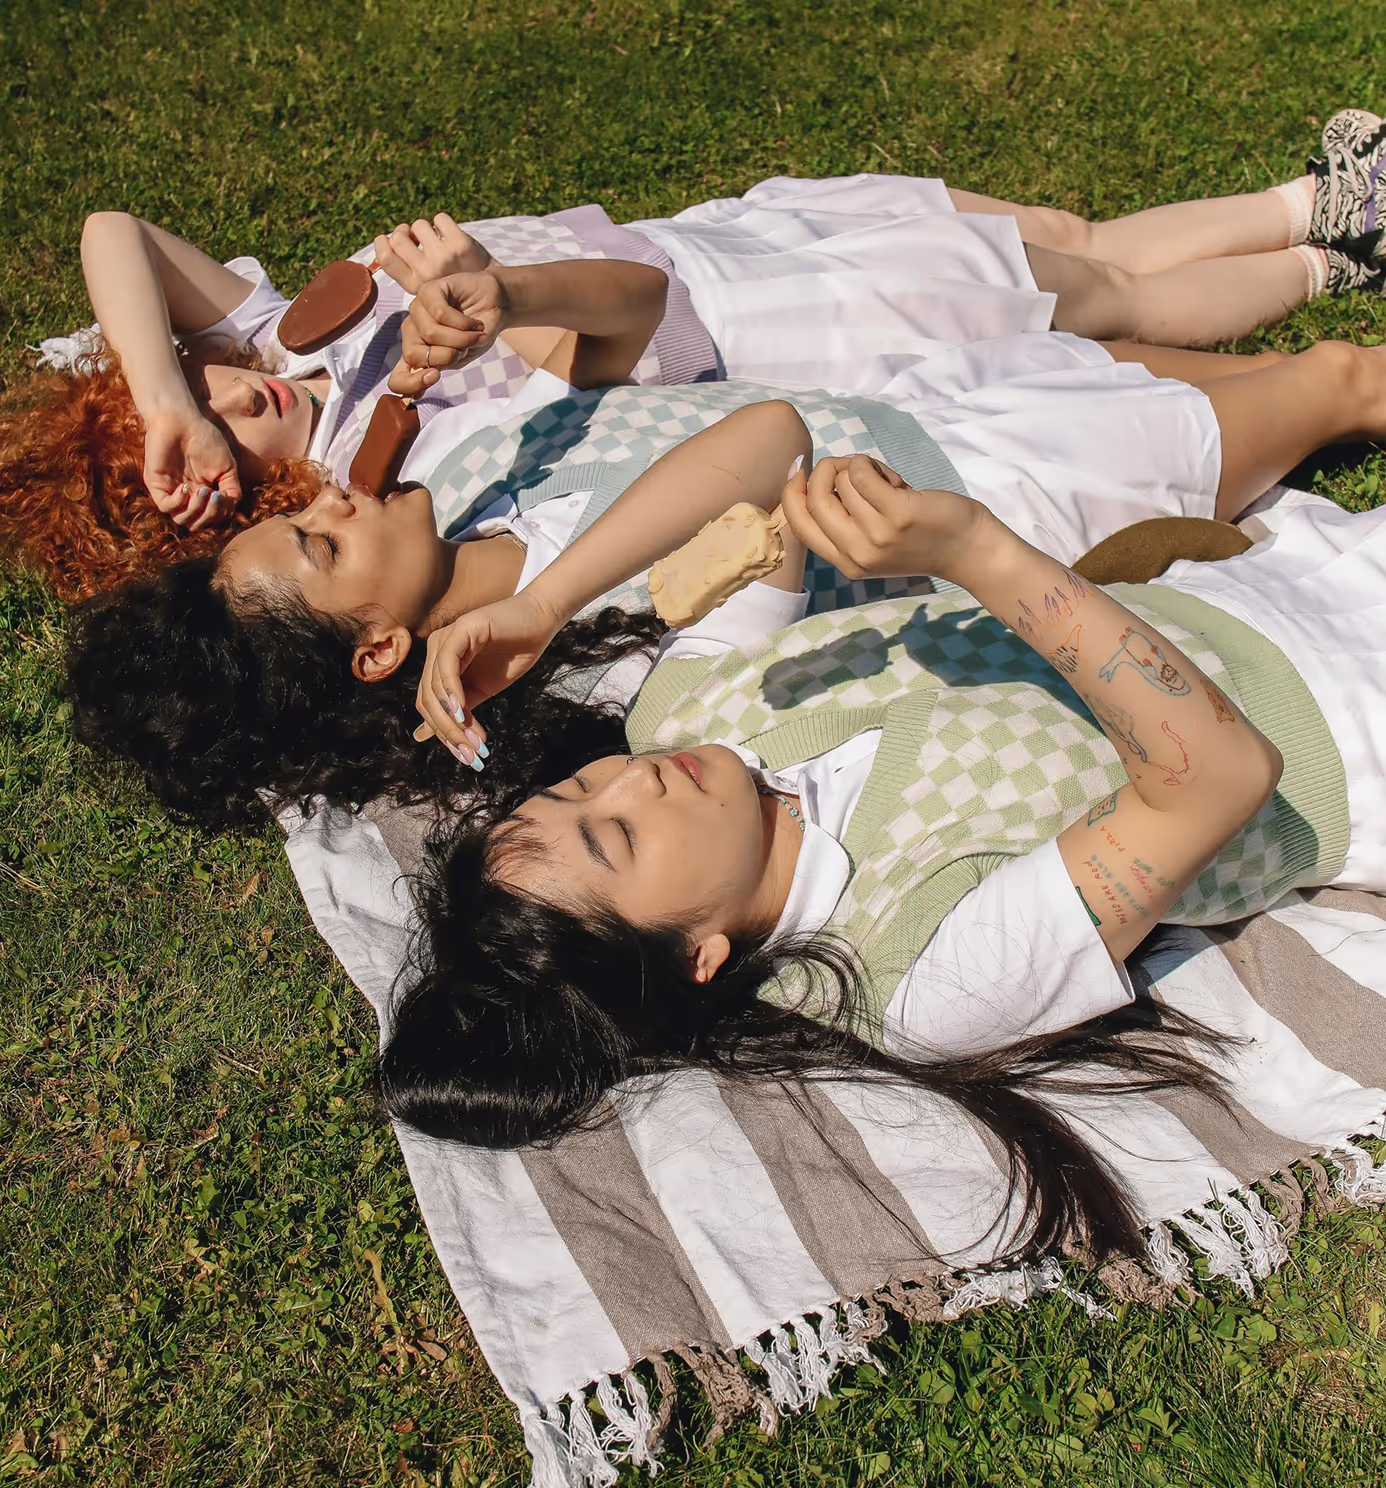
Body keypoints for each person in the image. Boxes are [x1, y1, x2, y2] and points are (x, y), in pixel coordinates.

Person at [379, 448, 1386, 1260]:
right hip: (1354, 733)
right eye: (618, 835)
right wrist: (977, 553)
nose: (631, 779)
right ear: (696, 955)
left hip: (1276, 575)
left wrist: (547, 602)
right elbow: (1220, 776)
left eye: (575, 787)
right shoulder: (917, 966)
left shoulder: (687, 716)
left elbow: (769, 442)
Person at [10, 105, 1386, 594]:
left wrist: (162, 396)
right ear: (249, 501)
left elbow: (113, 232)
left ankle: (1320, 219)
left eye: (200, 384)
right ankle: (1329, 234)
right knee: (1099, 300)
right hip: (778, 319)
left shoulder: (279, 342)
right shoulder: (413, 443)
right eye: (227, 432)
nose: (234, 390)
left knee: (1064, 234)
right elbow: (618, 323)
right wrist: (498, 291)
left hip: (741, 242)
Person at [65, 323, 1386, 832]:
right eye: (321, 542)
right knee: (1339, 381)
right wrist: (539, 606)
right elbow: (765, 447)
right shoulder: (618, 653)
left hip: (947, 396)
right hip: (1023, 489)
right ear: (375, 648)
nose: (334, 496)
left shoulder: (472, 487)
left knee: (1311, 366)